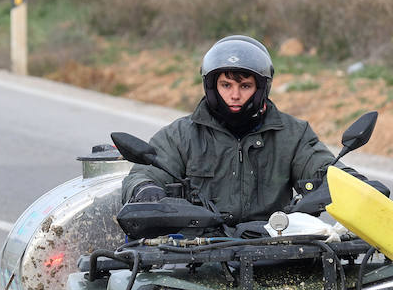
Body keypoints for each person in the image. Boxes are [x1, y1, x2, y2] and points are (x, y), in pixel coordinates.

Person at [122, 35, 378, 222]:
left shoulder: (292, 134)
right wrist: (147, 191)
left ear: (261, 88)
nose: (234, 95)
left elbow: (322, 167)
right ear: (212, 87)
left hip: (275, 246)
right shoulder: (181, 135)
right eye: (225, 85)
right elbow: (144, 174)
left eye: (244, 86)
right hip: (198, 252)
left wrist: (353, 183)